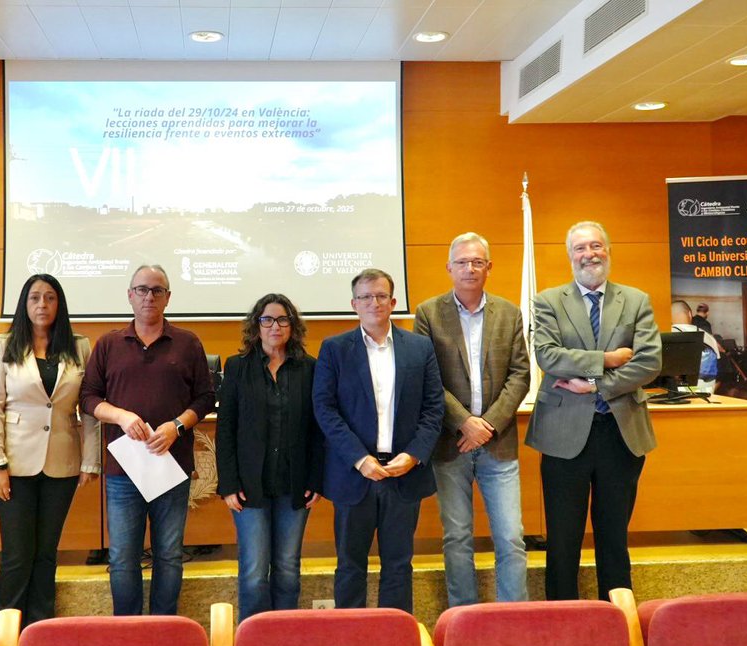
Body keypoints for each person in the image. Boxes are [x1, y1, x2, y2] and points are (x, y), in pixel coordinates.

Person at [525, 221, 661, 601]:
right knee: (563, 538)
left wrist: (597, 384)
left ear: (608, 250)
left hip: (621, 434)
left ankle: (618, 616)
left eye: (596, 246)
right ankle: (561, 616)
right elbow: (548, 356)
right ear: (570, 256)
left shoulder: (636, 300)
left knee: (614, 536)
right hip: (563, 434)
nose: (589, 254)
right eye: (580, 248)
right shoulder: (549, 301)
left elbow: (649, 362)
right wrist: (609, 359)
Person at [80, 264, 216, 615]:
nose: (149, 296)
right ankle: (127, 632)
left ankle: (164, 628)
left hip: (172, 467)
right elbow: (89, 398)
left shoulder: (188, 343)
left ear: (168, 297)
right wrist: (121, 416)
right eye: (142, 289)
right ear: (129, 296)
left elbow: (204, 398)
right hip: (123, 470)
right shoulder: (109, 344)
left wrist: (177, 426)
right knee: (123, 556)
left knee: (169, 555)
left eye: (157, 290)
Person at [313, 268, 444, 612]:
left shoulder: (419, 347)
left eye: (381, 296)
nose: (374, 302)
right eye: (366, 297)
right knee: (350, 566)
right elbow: (325, 409)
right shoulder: (335, 349)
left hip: (403, 473)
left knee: (399, 565)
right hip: (354, 474)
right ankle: (351, 643)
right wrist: (359, 458)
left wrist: (414, 455)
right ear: (354, 304)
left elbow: (434, 408)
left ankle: (395, 641)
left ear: (393, 302)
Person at [414, 232, 531, 607]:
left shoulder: (510, 312)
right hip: (451, 445)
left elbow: (520, 375)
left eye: (477, 261)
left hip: (499, 443)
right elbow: (427, 378)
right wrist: (464, 422)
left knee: (511, 537)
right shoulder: (428, 313)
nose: (469, 268)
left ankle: (515, 618)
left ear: (489, 267)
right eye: (462, 262)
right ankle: (462, 619)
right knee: (458, 537)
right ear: (449, 267)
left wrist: (488, 425)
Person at [0, 274, 100, 625]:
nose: (42, 305)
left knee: (46, 553)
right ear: (24, 304)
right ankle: (8, 631)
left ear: (59, 305)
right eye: (34, 298)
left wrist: (91, 460)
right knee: (18, 554)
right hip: (14, 463)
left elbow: (90, 408)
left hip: (62, 462)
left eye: (50, 298)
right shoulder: (5, 345)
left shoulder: (79, 346)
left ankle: (40, 630)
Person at [216, 293, 324, 620]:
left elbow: (319, 430)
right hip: (250, 486)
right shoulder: (237, 367)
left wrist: (317, 479)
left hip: (296, 484)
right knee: (253, 569)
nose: (275, 326)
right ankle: (253, 642)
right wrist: (229, 484)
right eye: (267, 320)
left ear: (292, 326)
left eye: (282, 320)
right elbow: (226, 429)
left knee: (289, 567)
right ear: (256, 326)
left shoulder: (310, 368)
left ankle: (284, 639)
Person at [671, 300, 719, 393]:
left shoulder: (664, 335)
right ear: (690, 314)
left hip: (672, 395)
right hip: (705, 394)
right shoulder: (708, 337)